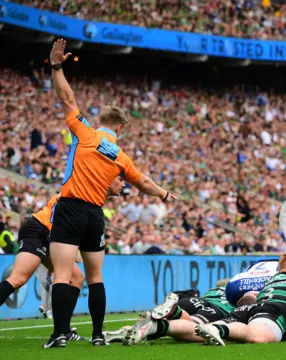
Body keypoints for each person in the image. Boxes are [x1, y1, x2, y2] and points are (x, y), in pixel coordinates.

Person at [45, 38, 177, 348]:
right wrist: (164, 194)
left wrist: (56, 66)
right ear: (121, 127)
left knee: (62, 274)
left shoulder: (86, 134)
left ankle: (59, 334)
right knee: (96, 278)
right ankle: (97, 335)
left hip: (71, 207)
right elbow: (143, 182)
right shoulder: (121, 156)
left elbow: (66, 98)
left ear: (102, 120)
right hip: (95, 215)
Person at [0, 178, 124, 320]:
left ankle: (63, 330)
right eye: (120, 180)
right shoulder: (82, 194)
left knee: (76, 278)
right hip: (39, 230)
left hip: (52, 236)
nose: (123, 185)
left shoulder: (92, 200)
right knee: (18, 279)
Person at [121, 287, 237, 345]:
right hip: (219, 308)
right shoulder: (241, 295)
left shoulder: (216, 290)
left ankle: (129, 329)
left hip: (194, 300)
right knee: (195, 326)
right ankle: (175, 313)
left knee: (174, 318)